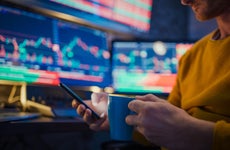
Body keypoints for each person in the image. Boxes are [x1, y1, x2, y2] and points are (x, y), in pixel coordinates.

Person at [72, 0, 230, 149]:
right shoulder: (191, 56)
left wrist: (196, 134)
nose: (184, 1)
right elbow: (168, 130)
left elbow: (181, 130)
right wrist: (120, 121)